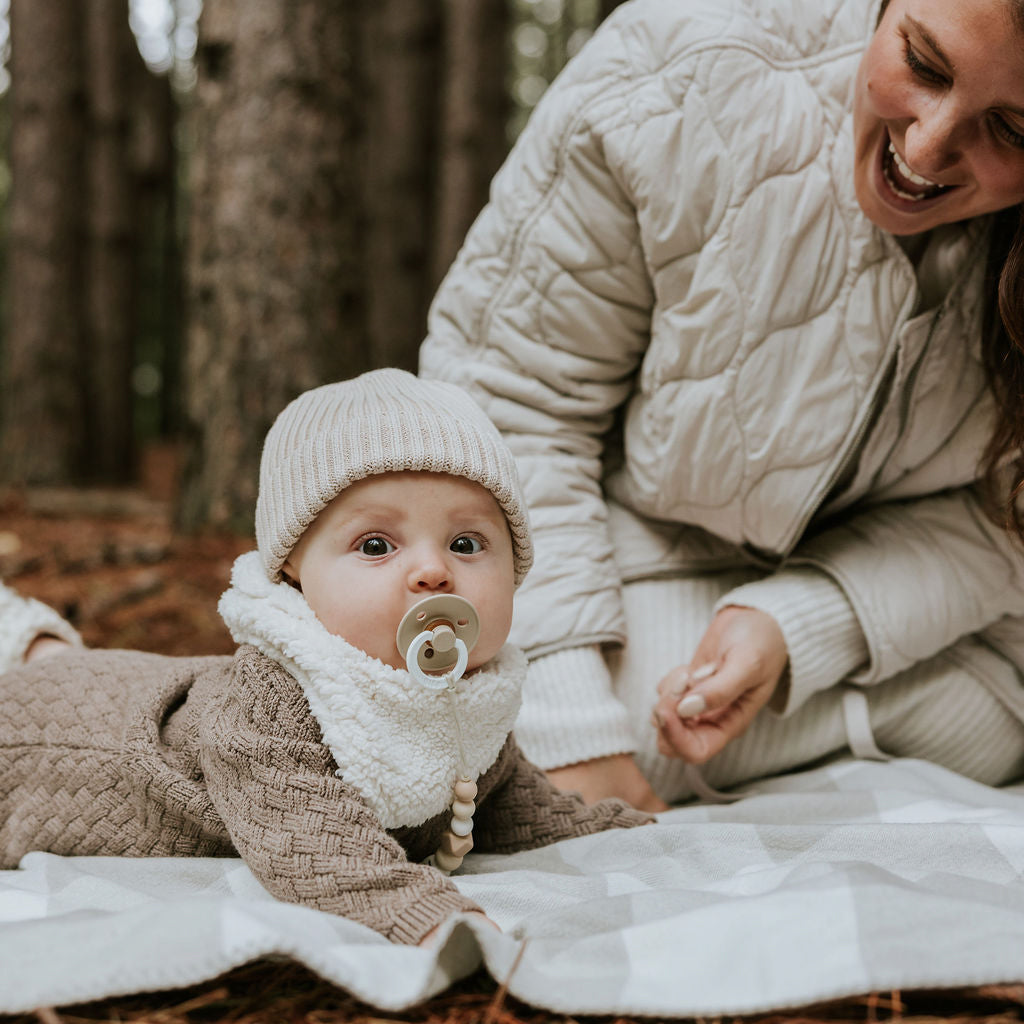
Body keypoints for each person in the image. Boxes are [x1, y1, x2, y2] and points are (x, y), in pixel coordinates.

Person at [420, 0, 1024, 811]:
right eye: (921, 61)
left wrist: (804, 621)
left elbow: (1008, 512)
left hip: (935, 603)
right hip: (618, 566)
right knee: (474, 724)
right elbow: (510, 399)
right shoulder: (673, 74)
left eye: (1012, 130)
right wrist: (569, 720)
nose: (926, 146)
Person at [0, 369, 650, 945]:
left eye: (466, 541)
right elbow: (309, 839)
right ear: (293, 576)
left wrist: (619, 837)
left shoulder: (467, 699)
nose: (432, 570)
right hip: (35, 740)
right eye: (375, 545)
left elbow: (503, 801)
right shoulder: (270, 703)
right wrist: (423, 914)